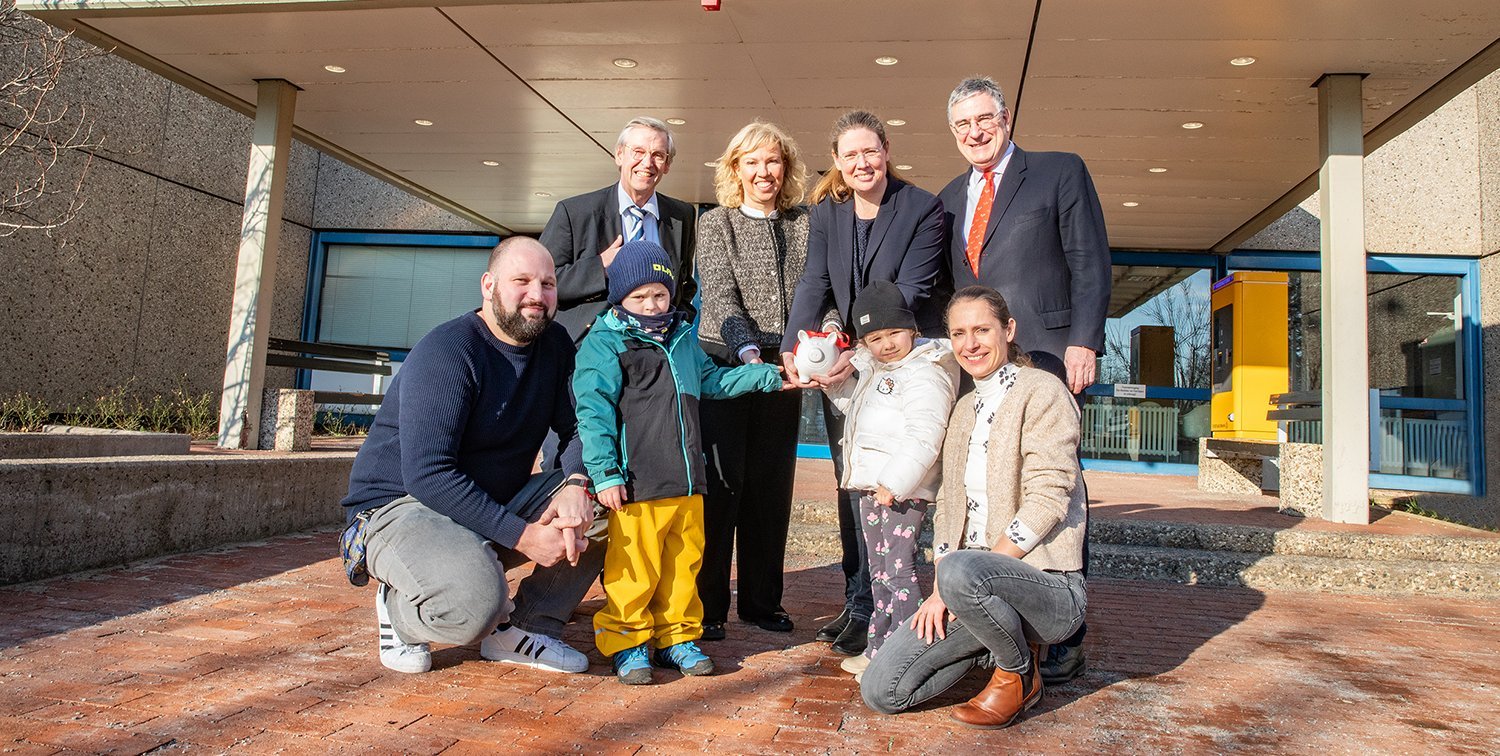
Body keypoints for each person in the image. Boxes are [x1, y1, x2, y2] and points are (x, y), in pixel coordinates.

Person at [340, 236, 602, 676]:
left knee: (611, 500)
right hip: (399, 508)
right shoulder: (449, 351)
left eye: (548, 283)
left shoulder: (554, 345)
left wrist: (576, 484)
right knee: (476, 605)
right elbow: (428, 474)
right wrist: (523, 536)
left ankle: (526, 627)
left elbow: (580, 427)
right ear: (488, 285)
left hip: (487, 498)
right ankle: (401, 610)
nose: (537, 296)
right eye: (521, 281)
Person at [936, 75, 1110, 682]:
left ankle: (1066, 631)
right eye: (962, 126)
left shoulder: (1059, 172)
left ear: (1006, 119)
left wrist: (1085, 338)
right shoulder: (950, 197)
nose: (974, 133)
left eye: (983, 119)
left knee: (1055, 491)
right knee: (994, 480)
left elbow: (1090, 260)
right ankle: (1002, 612)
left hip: (1049, 352)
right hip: (984, 364)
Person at [860, 286, 1088, 729]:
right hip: (971, 588)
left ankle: (1019, 674)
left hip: (1048, 588)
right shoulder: (963, 407)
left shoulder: (1043, 391)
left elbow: (1049, 496)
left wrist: (961, 578)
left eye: (982, 329)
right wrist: (946, 593)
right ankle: (990, 643)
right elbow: (947, 506)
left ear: (1009, 330)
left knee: (961, 569)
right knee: (881, 690)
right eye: (959, 333)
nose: (971, 344)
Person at [572, 240, 788, 685]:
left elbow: (713, 382)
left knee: (682, 566)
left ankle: (677, 638)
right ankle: (628, 643)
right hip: (637, 485)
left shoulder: (684, 337)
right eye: (639, 296)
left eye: (660, 294)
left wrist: (769, 375)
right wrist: (605, 472)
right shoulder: (605, 344)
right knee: (633, 569)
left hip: (689, 480)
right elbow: (592, 413)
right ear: (620, 297)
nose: (652, 304)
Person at [779, 110, 946, 658]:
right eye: (849, 155)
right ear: (836, 161)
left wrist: (863, 350)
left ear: (886, 149)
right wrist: (796, 345)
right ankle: (859, 602)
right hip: (846, 369)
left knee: (892, 491)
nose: (861, 163)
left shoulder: (922, 208)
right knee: (850, 484)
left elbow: (912, 289)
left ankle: (896, 609)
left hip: (896, 367)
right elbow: (815, 280)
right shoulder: (828, 212)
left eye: (869, 151)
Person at [694, 121, 810, 642]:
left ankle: (763, 602)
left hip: (787, 368)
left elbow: (819, 291)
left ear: (784, 168)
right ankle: (709, 604)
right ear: (735, 169)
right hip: (727, 363)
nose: (764, 172)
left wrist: (819, 340)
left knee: (770, 487)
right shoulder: (715, 223)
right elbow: (718, 297)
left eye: (773, 161)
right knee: (722, 487)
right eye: (752, 162)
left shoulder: (805, 222)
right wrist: (748, 356)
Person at [822, 281, 959, 680]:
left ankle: (913, 654)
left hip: (900, 491)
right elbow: (859, 410)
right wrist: (836, 388)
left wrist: (896, 482)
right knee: (879, 571)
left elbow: (926, 433)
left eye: (894, 333)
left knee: (898, 573)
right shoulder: (880, 369)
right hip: (872, 487)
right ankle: (880, 647)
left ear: (913, 329)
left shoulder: (926, 372)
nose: (886, 345)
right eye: (875, 338)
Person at [540, 116, 698, 343]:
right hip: (590, 347)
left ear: (667, 165)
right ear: (619, 155)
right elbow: (544, 281)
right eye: (638, 152)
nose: (647, 163)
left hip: (657, 349)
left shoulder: (681, 215)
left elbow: (685, 284)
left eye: (658, 155)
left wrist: (679, 323)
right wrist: (599, 266)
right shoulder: (575, 212)